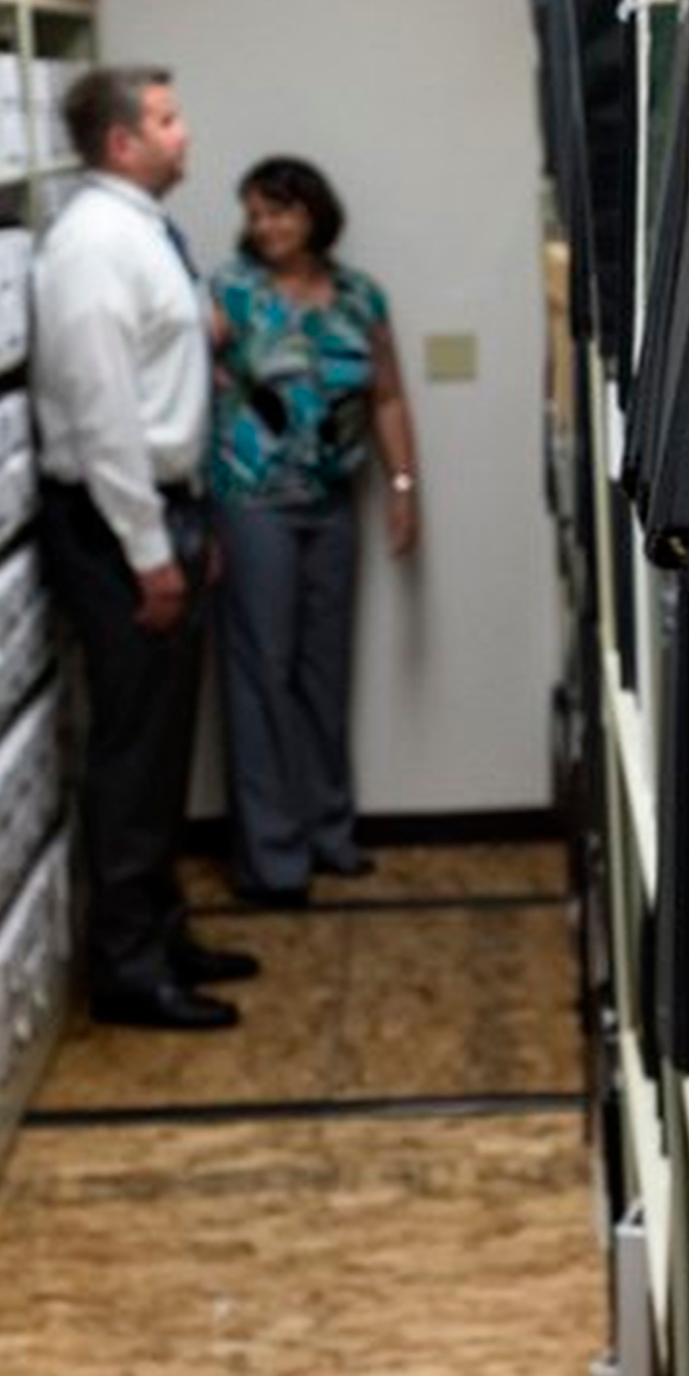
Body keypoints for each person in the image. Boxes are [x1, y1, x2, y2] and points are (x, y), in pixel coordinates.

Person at [29, 65, 257, 1029]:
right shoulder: (91, 247)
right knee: (133, 752)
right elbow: (103, 410)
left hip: (170, 506)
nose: (183, 131)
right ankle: (128, 968)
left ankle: (162, 932)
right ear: (122, 143)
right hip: (120, 521)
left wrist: (187, 519)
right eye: (166, 119)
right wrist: (149, 550)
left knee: (164, 747)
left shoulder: (143, 234)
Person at [203, 156, 422, 905]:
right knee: (263, 672)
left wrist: (403, 487)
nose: (267, 227)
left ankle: (332, 833)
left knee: (326, 673)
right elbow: (182, 384)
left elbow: (387, 397)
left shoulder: (360, 296)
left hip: (333, 502)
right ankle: (273, 858)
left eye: (281, 212)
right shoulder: (229, 292)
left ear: (314, 214)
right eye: (257, 214)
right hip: (252, 500)